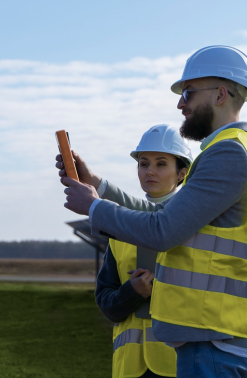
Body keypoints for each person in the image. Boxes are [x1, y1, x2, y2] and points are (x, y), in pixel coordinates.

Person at [57, 46, 247, 378]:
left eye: (188, 93)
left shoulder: (228, 154)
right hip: (213, 338)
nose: (180, 104)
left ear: (220, 94)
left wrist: (92, 206)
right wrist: (98, 186)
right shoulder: (231, 150)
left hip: (214, 342)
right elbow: (164, 212)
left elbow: (163, 229)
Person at [96, 124, 192, 378]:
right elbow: (106, 303)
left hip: (177, 364)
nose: (149, 171)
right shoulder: (120, 227)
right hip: (130, 367)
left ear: (182, 173)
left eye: (161, 164)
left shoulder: (196, 223)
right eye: (143, 163)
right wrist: (131, 293)